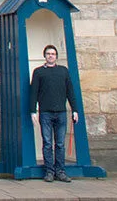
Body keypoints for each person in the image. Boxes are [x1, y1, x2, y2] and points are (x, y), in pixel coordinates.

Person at [29, 44, 78, 183]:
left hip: (61, 112)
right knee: (47, 143)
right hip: (45, 112)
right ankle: (49, 171)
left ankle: (60, 171)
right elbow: (34, 93)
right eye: (48, 54)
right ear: (45, 56)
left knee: (60, 144)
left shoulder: (63, 71)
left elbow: (70, 92)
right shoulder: (38, 72)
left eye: (53, 54)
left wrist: (75, 109)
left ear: (56, 56)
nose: (51, 56)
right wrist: (33, 110)